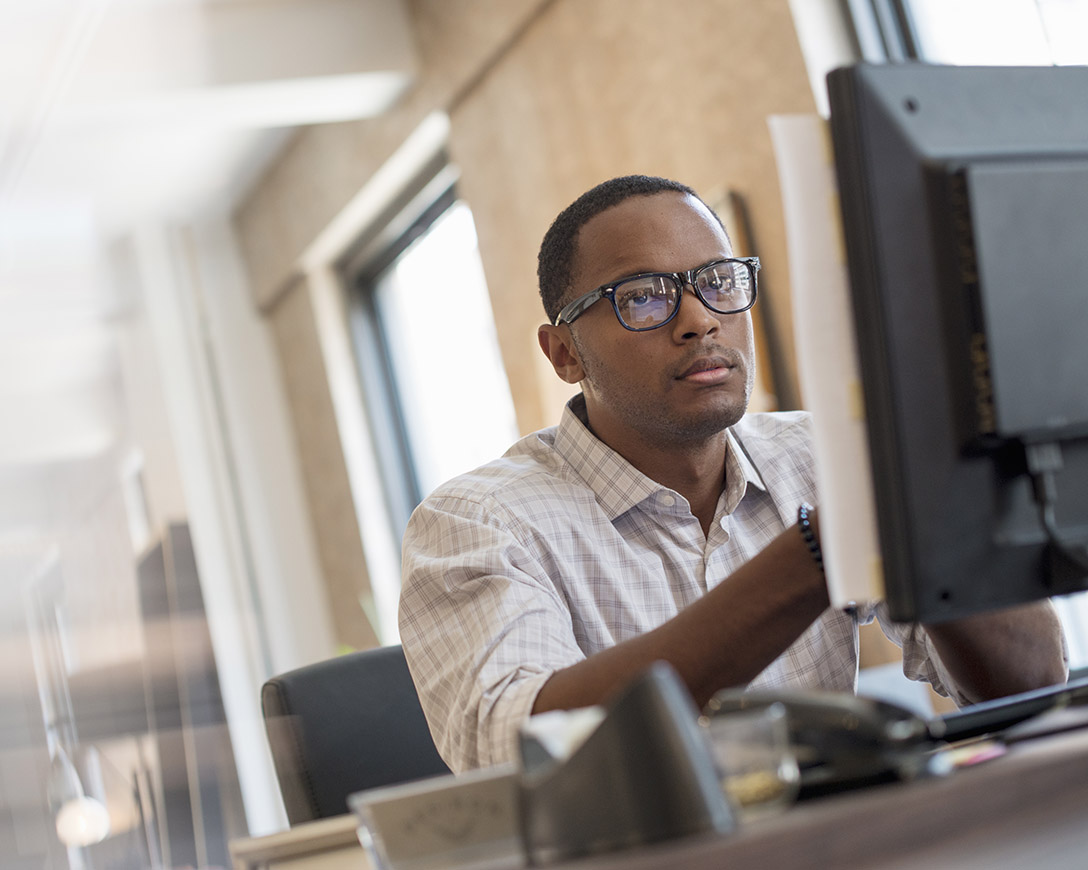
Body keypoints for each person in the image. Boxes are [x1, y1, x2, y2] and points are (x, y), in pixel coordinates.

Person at [398, 175, 1067, 772]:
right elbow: (520, 755)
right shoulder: (476, 522)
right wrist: (816, 553)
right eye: (642, 297)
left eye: (718, 281)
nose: (699, 320)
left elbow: (1032, 685)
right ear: (565, 352)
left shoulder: (826, 455)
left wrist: (937, 498)